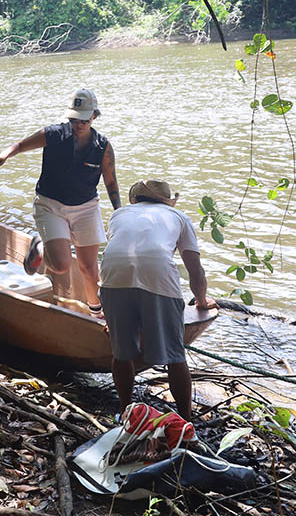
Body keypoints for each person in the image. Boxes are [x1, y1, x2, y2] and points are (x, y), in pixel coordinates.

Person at [0, 88, 120, 316]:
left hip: (86, 207)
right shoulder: (54, 134)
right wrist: (5, 154)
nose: (78, 125)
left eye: (84, 120)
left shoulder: (102, 146)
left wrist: (120, 213)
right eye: (74, 119)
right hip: (51, 204)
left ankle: (96, 312)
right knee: (61, 265)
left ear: (95, 117)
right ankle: (39, 245)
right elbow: (20, 145)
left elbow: (110, 181)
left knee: (89, 268)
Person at [99, 179, 219, 421]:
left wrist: (109, 312)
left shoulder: (119, 214)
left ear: (136, 199)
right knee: (175, 355)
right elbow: (195, 269)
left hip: (112, 280)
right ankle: (185, 419)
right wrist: (202, 300)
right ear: (167, 201)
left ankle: (126, 413)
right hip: (158, 278)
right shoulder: (178, 217)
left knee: (121, 354)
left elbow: (117, 255)